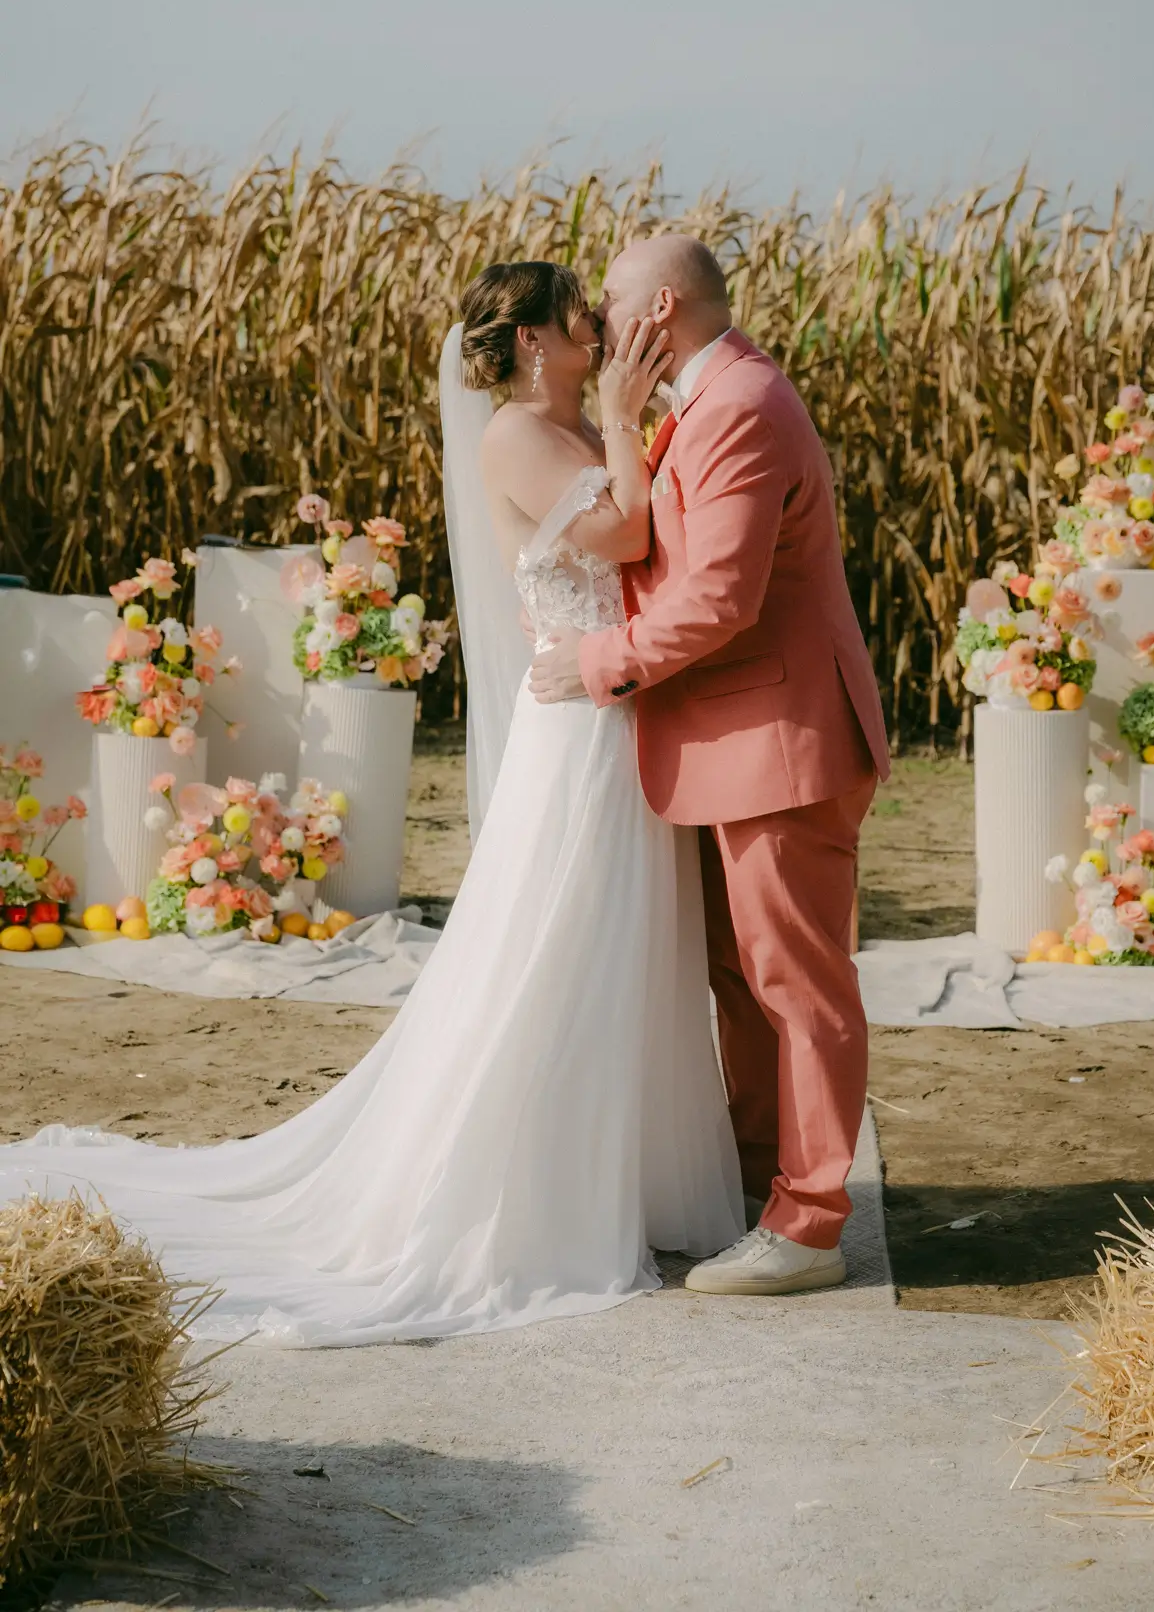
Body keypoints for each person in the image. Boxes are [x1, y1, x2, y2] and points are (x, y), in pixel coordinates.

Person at [0, 261, 743, 1346]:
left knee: (630, 942)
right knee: (561, 938)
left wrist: (628, 426)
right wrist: (630, 423)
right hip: (576, 729)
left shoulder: (584, 427)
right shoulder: (516, 437)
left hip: (619, 708)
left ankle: (632, 1178)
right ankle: (536, 1191)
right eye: (578, 312)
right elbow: (627, 540)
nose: (598, 323)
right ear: (532, 342)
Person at [530, 236, 890, 1296]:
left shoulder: (738, 404)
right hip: (739, 742)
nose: (597, 320)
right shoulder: (703, 400)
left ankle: (810, 1225)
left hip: (782, 740)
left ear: (660, 308)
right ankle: (760, 1188)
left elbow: (721, 596)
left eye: (610, 302)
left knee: (798, 986)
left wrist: (598, 662)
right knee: (744, 982)